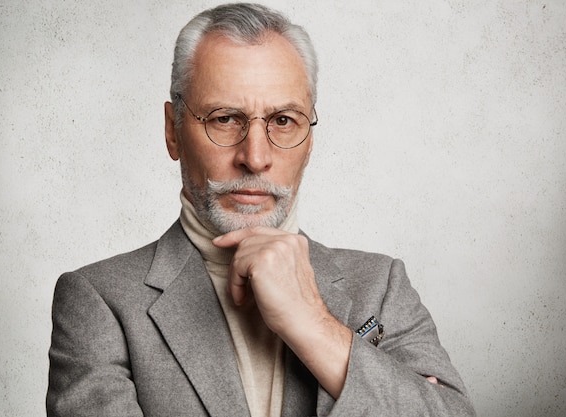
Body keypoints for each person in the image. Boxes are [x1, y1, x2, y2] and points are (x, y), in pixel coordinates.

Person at [46, 3, 476, 416]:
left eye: (284, 120)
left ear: (310, 140)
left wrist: (311, 323)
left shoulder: (381, 286)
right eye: (225, 118)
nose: (255, 157)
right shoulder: (99, 301)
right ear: (172, 131)